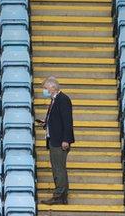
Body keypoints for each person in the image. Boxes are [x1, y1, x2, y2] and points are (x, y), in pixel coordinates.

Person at [38, 76, 74, 205]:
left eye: (46, 88)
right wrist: (46, 122)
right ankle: (62, 195)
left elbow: (67, 121)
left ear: (53, 87)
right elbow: (57, 120)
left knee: (59, 168)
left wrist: (66, 140)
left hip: (59, 141)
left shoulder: (63, 99)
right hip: (54, 139)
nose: (44, 90)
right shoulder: (55, 100)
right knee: (58, 168)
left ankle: (59, 195)